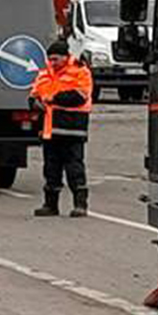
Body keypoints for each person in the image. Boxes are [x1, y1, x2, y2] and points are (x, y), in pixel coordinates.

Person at [30, 40, 94, 218]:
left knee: (74, 168)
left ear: (66, 57)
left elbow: (79, 96)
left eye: (55, 59)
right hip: (49, 130)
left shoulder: (80, 71)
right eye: (49, 59)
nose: (52, 63)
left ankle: (80, 204)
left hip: (72, 129)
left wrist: (52, 98)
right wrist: (34, 103)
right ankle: (50, 205)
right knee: (51, 169)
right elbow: (34, 93)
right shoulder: (44, 73)